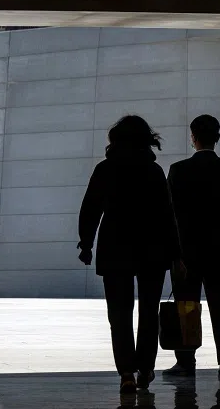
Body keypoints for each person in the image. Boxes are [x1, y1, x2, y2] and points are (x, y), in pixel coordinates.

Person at [78, 115, 185, 394]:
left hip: (115, 246)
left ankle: (126, 371)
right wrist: (176, 254)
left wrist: (86, 243)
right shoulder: (154, 171)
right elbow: (167, 215)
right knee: (149, 311)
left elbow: (91, 208)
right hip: (152, 248)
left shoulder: (105, 169)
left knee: (119, 313)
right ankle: (146, 368)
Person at [164, 115, 220, 379]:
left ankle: (186, 362)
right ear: (217, 137)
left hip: (186, 250)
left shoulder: (178, 170)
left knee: (187, 305)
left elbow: (168, 213)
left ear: (193, 137)